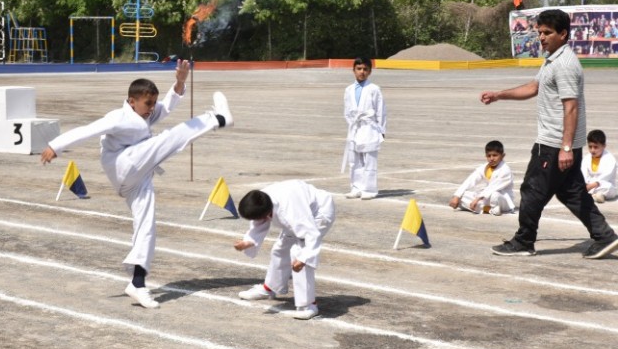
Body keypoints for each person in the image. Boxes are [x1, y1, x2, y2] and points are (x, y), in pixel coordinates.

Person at [40, 59, 233, 308]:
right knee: (168, 138)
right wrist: (55, 146)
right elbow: (88, 129)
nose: (152, 108)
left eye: (153, 103)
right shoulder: (118, 117)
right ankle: (217, 118)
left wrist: (180, 81)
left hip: (135, 178)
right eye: (147, 103)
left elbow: (168, 106)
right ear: (132, 101)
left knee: (146, 225)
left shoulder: (145, 114)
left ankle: (137, 284)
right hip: (123, 165)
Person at [480, 9, 618, 259]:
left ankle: (523, 241)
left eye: (547, 33)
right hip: (560, 144)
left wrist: (565, 147)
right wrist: (499, 95)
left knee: (532, 190)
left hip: (554, 145)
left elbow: (571, 107)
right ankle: (604, 236)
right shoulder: (553, 59)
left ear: (563, 34)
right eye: (540, 32)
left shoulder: (564, 65)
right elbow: (534, 87)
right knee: (571, 192)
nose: (541, 37)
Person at [234, 180, 335, 320]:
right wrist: (248, 241)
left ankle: (308, 305)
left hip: (318, 213)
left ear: (267, 213)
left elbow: (312, 235)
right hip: (301, 207)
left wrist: (304, 259)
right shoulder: (260, 199)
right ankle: (270, 288)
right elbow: (259, 222)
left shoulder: (292, 210)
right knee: (280, 249)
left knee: (298, 254)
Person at [342, 57, 386, 200]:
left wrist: (381, 130)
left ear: (370, 71)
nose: (362, 72)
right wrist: (352, 123)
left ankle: (369, 189)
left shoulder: (374, 89)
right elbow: (347, 110)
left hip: (370, 127)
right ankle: (356, 187)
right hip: (355, 127)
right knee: (354, 160)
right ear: (353, 70)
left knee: (369, 160)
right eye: (359, 69)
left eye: (365, 69)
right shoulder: (349, 90)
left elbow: (381, 110)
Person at [449, 140, 515, 216]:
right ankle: (487, 209)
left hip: (502, 200)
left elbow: (492, 187)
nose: (491, 158)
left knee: (495, 195)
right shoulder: (484, 167)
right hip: (486, 197)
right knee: (462, 197)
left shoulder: (505, 170)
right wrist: (457, 196)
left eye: (495, 155)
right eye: (489, 156)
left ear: (503, 156)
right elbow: (470, 180)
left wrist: (477, 199)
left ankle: (489, 208)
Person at [581, 129, 617, 203]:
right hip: (589, 185)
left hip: (603, 185)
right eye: (590, 147)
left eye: (596, 147)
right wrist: (585, 185)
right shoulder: (587, 158)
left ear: (604, 146)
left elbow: (605, 177)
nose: (592, 150)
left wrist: (591, 186)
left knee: (608, 187)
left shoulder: (610, 159)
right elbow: (583, 173)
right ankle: (595, 195)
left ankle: (598, 195)